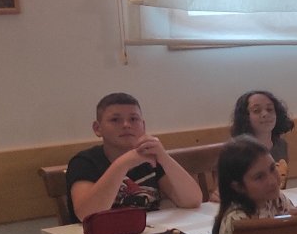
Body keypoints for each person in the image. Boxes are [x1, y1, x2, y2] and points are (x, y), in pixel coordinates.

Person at [66, 93, 203, 221]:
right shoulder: (84, 162)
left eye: (133, 119)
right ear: (97, 128)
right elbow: (87, 214)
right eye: (115, 120)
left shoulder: (151, 158)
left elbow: (192, 201)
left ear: (143, 125)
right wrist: (123, 163)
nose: (126, 125)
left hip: (146, 232)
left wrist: (163, 157)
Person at [229, 89, 295, 185]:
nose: (265, 114)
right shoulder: (237, 151)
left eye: (270, 109)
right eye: (256, 111)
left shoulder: (281, 145)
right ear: (245, 117)